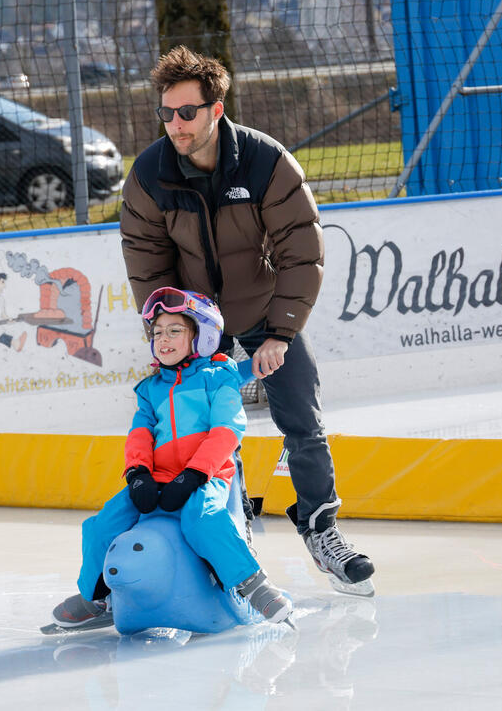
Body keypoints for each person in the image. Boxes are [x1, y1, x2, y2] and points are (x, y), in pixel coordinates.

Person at [119, 45, 375, 591]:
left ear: (215, 109)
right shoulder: (149, 175)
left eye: (186, 112)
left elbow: (301, 250)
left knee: (303, 421)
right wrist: (171, 334)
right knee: (203, 432)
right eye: (166, 113)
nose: (175, 124)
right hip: (200, 325)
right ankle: (233, 530)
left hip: (263, 312)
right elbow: (148, 266)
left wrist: (281, 332)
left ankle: (320, 528)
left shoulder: (266, 161)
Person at [51, 287, 292, 630]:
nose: (163, 339)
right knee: (101, 525)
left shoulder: (219, 379)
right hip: (158, 475)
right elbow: (140, 435)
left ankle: (252, 583)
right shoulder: (150, 390)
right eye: (158, 332)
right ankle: (96, 597)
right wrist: (137, 474)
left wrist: (194, 474)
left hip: (205, 476)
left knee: (204, 519)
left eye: (175, 331)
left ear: (203, 336)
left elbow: (226, 430)